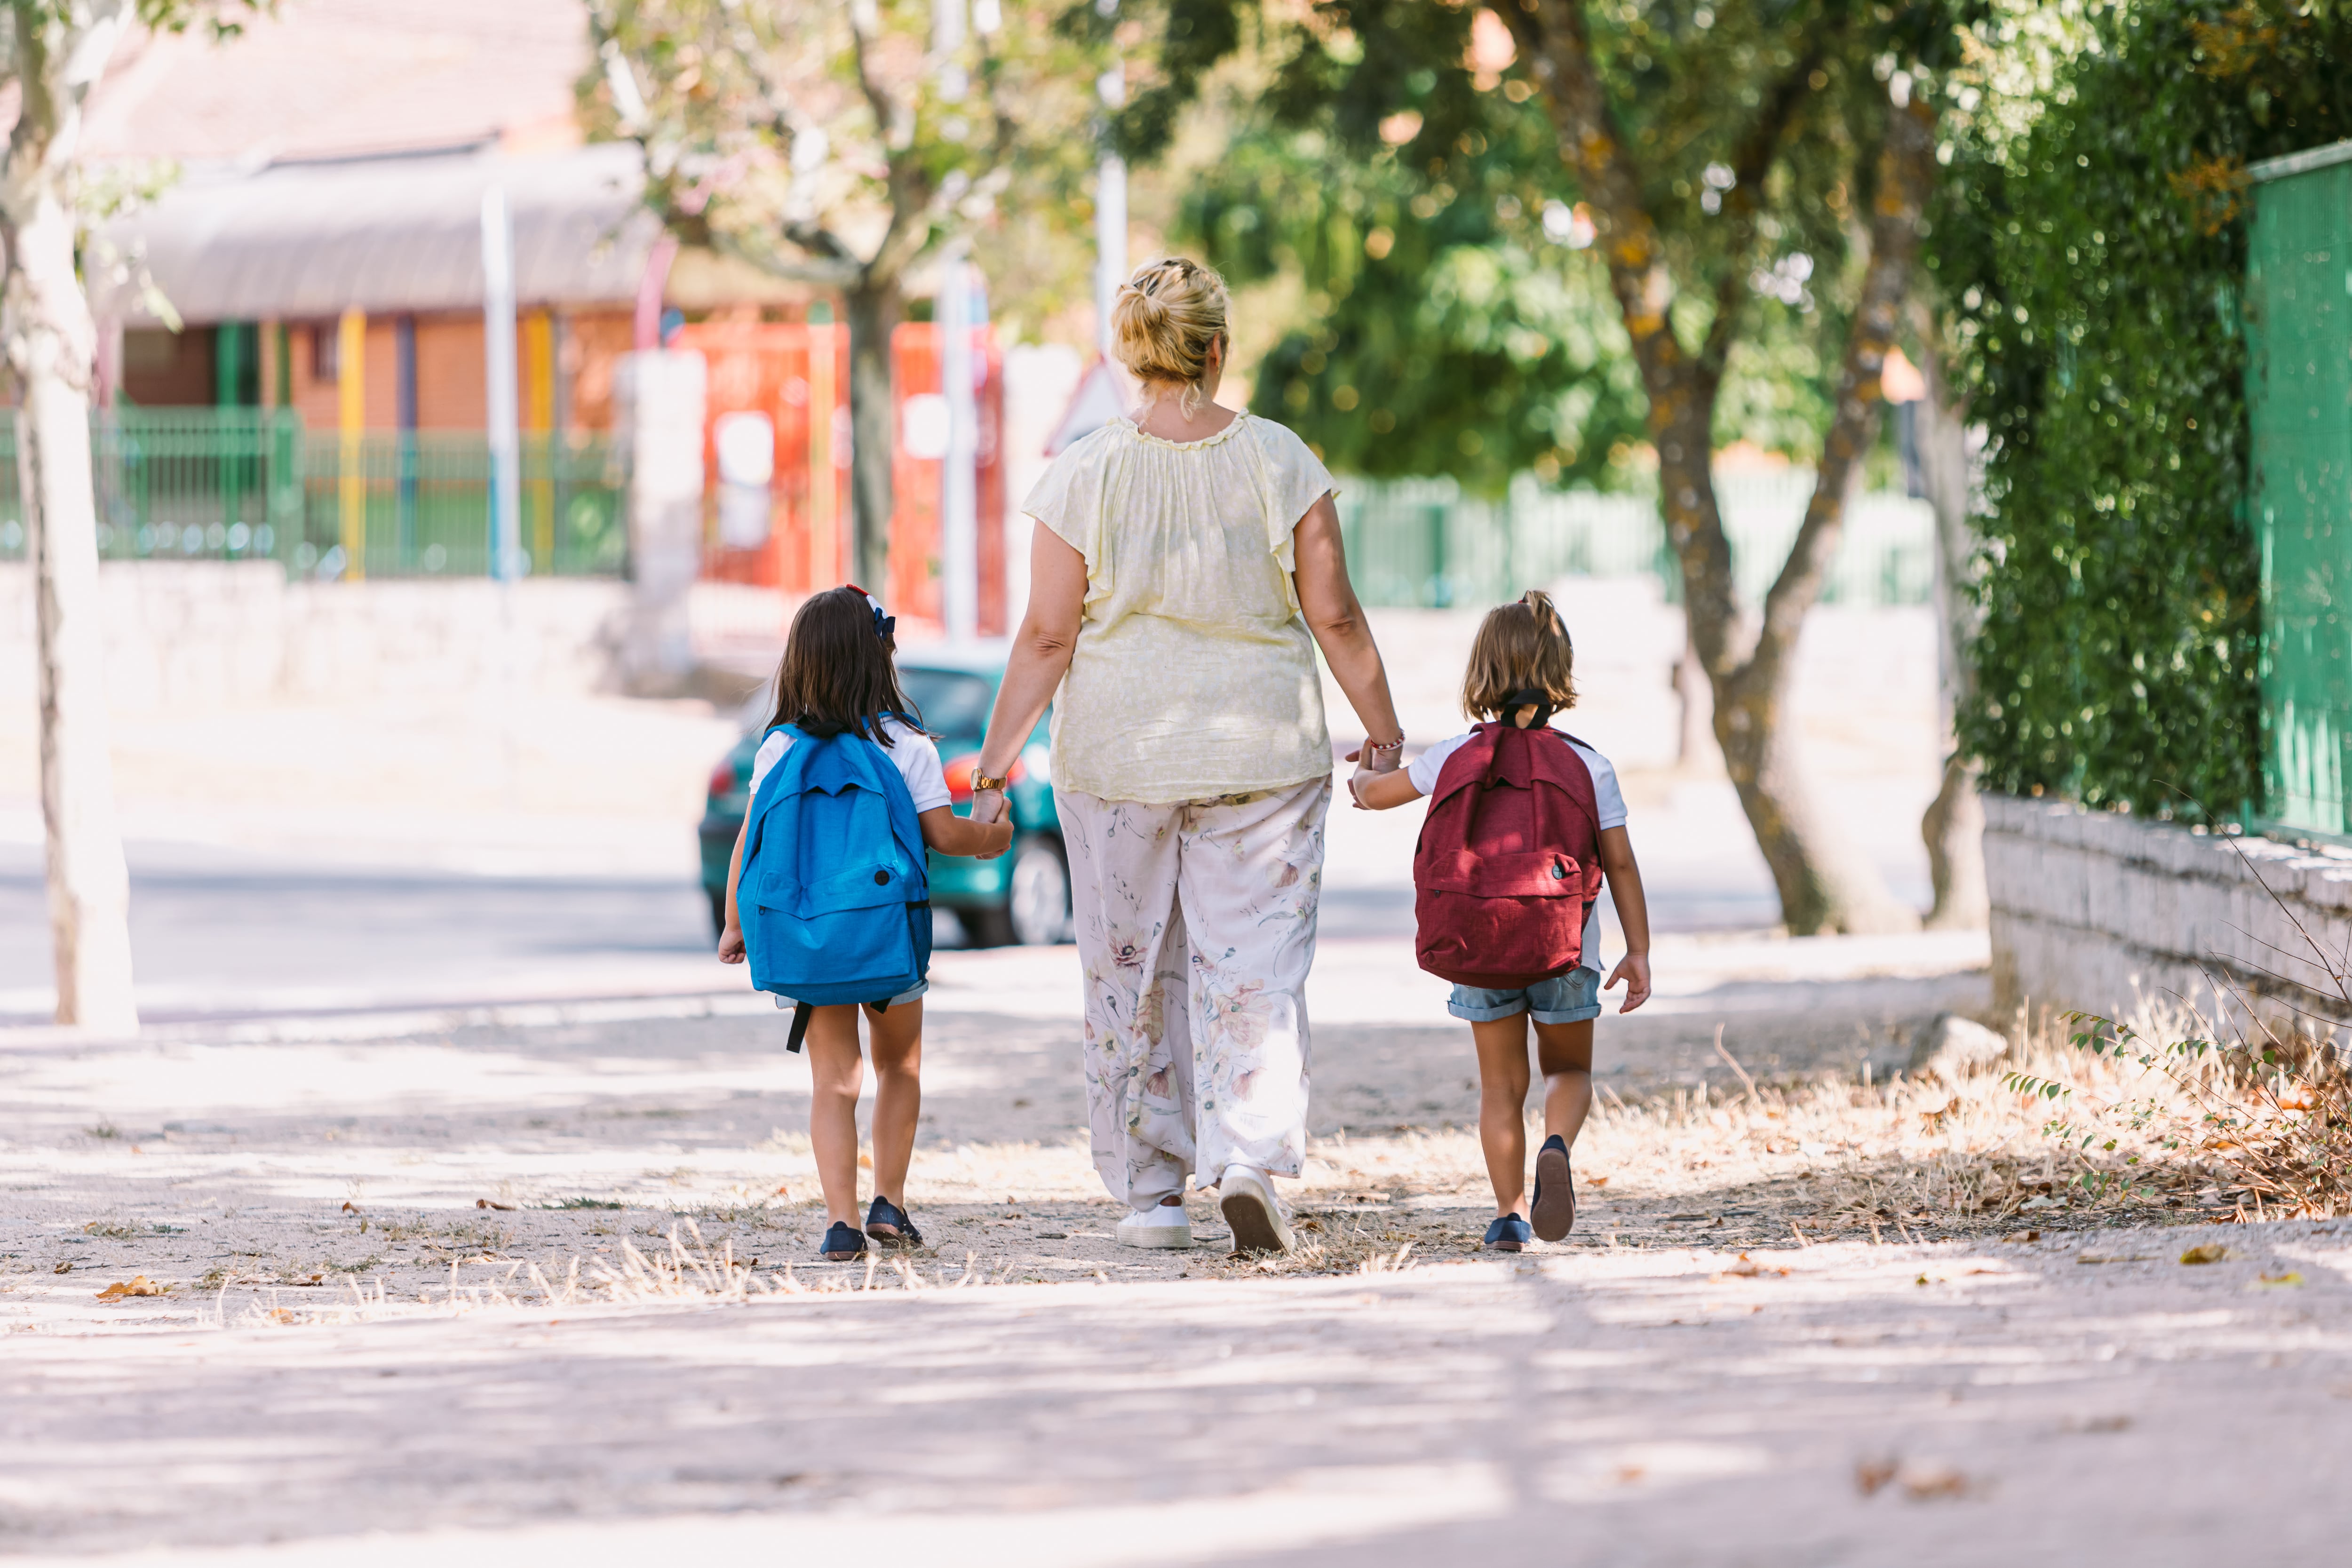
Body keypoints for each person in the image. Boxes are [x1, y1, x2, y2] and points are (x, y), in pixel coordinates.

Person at [965, 256, 1406, 1255]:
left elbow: (1044, 636)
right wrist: (1382, 732)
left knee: (1128, 970)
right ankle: (1247, 1153)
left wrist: (993, 769)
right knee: (1254, 966)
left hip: (1117, 762)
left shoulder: (1082, 471)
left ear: (1131, 354)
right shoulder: (1280, 460)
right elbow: (1332, 615)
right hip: (1264, 758)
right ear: (1218, 347)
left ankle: (1151, 1196)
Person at [717, 585, 1013, 1262]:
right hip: (886, 934)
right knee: (898, 1066)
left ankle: (841, 1224)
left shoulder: (777, 748)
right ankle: (890, 1203)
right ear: (880, 657)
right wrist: (993, 834)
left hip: (811, 937)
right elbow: (943, 835)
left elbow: (749, 841)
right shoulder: (907, 744)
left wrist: (736, 922)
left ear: (802, 663)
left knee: (834, 1080)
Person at [1354, 590, 1653, 1250]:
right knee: (1568, 1072)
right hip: (1566, 947)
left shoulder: (1453, 754)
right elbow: (1623, 865)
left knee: (1500, 1086)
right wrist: (1639, 950)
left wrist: (1370, 772)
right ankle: (1556, 1144)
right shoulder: (1588, 764)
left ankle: (1510, 1213)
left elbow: (1375, 796)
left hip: (1477, 941)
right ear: (1561, 672)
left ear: (1481, 673)